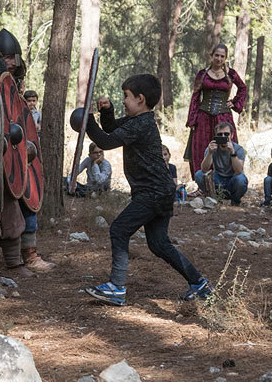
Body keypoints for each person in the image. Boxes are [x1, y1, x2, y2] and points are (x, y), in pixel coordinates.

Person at [83, 74, 210, 306]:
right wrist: (107, 110)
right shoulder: (138, 121)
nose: (123, 101)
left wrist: (87, 119)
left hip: (152, 192)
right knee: (159, 243)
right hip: (160, 191)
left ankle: (116, 287)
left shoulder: (141, 125)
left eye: (126, 97)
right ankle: (199, 283)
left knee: (119, 230)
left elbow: (106, 141)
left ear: (140, 99)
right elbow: (110, 128)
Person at [186, 44, 247, 180]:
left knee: (225, 146)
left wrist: (235, 102)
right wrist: (192, 119)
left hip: (223, 117)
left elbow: (243, 88)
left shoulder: (231, 74)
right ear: (212, 55)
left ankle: (227, 182)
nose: (219, 59)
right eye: (217, 55)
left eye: (222, 56)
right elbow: (196, 96)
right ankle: (203, 185)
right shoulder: (202, 74)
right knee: (201, 148)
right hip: (203, 116)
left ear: (225, 58)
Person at [194, 122, 248, 206]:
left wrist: (232, 152)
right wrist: (210, 153)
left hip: (232, 181)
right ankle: (212, 198)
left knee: (241, 179)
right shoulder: (212, 148)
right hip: (217, 180)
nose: (223, 137)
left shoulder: (238, 149)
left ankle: (235, 201)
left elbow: (239, 171)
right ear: (216, 136)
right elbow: (204, 169)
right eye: (220, 134)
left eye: (226, 134)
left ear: (232, 135)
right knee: (199, 175)